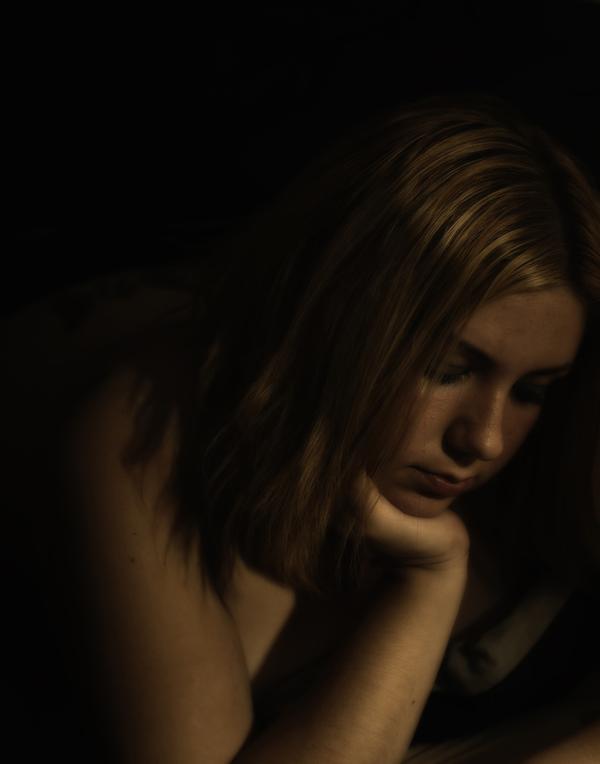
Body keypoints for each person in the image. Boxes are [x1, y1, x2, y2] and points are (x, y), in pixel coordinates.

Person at [9, 92, 600, 762]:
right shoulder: (144, 430)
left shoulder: (568, 433)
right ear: (339, 322)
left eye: (531, 390)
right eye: (447, 369)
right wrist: (430, 578)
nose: (484, 440)